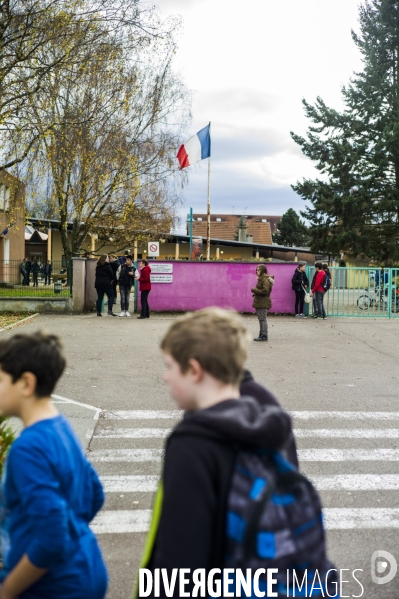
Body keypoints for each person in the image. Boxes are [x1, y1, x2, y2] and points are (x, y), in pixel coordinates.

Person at [136, 309, 336, 598]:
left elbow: (178, 571)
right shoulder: (268, 422)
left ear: (194, 370)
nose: (165, 377)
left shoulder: (192, 445)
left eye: (170, 366)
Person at [0, 331, 108, 599]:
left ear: (26, 383)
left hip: (52, 586)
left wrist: (8, 590)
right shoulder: (62, 428)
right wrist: (73, 533)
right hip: (86, 566)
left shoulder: (28, 448)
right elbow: (94, 493)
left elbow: (51, 539)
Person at [251, 263, 273, 341]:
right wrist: (256, 293)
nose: (257, 271)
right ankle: (262, 334)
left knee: (262, 319)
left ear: (263, 270)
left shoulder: (265, 280)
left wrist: (254, 290)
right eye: (256, 270)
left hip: (263, 302)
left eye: (258, 270)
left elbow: (265, 291)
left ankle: (264, 335)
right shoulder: (261, 279)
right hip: (260, 301)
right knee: (261, 319)